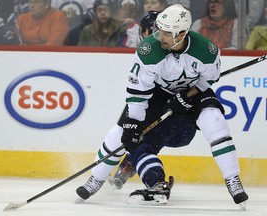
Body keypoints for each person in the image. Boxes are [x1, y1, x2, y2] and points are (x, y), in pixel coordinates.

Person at [76, 4, 249, 207]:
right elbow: (139, 93)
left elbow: (207, 81)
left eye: (167, 33)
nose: (160, 36)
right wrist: (132, 123)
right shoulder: (148, 50)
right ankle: (95, 179)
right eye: (160, 30)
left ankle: (232, 179)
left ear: (183, 33)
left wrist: (187, 96)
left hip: (194, 92)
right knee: (119, 133)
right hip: (159, 95)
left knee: (214, 119)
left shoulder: (207, 51)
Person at [108, 10, 161, 189]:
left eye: (149, 30)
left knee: (146, 140)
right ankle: (123, 166)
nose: (146, 34)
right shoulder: (144, 52)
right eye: (145, 30)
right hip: (144, 101)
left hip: (159, 102)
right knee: (131, 133)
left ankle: (128, 167)